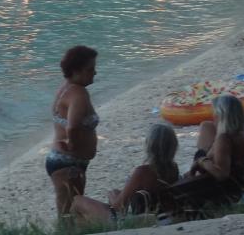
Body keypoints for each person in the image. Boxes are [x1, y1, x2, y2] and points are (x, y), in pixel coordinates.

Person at [72, 123, 179, 223]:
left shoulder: (142, 172)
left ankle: (85, 234)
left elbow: (118, 207)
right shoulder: (173, 169)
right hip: (159, 217)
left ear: (149, 146)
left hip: (135, 222)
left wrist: (111, 195)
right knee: (116, 193)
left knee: (77, 201)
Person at [48, 45, 99, 218]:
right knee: (69, 216)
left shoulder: (65, 89)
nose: (95, 72)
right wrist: (73, 146)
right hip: (69, 164)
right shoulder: (79, 93)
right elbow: (72, 126)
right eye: (90, 69)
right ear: (76, 71)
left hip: (63, 161)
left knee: (68, 213)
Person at [188, 94, 244, 204]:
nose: (213, 116)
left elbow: (222, 175)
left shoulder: (224, 139)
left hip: (222, 192)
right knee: (206, 125)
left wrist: (202, 161)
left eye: (215, 113)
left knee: (201, 150)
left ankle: (205, 153)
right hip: (239, 182)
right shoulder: (243, 135)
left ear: (221, 115)